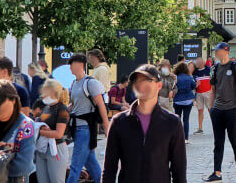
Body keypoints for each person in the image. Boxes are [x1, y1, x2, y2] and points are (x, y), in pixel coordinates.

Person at [103, 64, 186, 183]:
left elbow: (179, 171)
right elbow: (109, 168)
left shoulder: (172, 122)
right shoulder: (119, 122)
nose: (141, 84)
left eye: (147, 80)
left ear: (159, 85)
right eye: (137, 80)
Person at [204, 42, 236, 182]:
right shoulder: (215, 68)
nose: (216, 53)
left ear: (226, 51)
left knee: (234, 140)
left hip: (231, 110)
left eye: (218, 51)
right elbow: (212, 90)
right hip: (217, 110)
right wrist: (211, 109)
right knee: (218, 142)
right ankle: (217, 173)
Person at [66, 53, 110, 183]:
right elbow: (73, 105)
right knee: (90, 161)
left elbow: (101, 105)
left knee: (75, 166)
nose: (70, 68)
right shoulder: (74, 84)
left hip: (85, 128)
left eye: (72, 65)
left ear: (81, 65)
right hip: (77, 127)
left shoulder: (90, 83)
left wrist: (106, 126)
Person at [35, 78, 71, 183]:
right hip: (42, 148)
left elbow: (58, 134)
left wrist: (40, 131)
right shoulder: (46, 108)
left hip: (56, 149)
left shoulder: (62, 109)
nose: (42, 94)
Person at [173, 61, 196, 141]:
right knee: (186, 120)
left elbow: (173, 88)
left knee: (177, 120)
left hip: (177, 101)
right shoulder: (189, 77)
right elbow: (194, 86)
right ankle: (186, 138)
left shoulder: (175, 78)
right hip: (188, 101)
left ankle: (177, 138)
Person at [193, 57, 213, 135]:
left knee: (210, 110)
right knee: (200, 110)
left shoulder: (208, 69)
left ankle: (215, 126)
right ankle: (200, 128)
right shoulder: (195, 72)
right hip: (199, 93)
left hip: (208, 92)